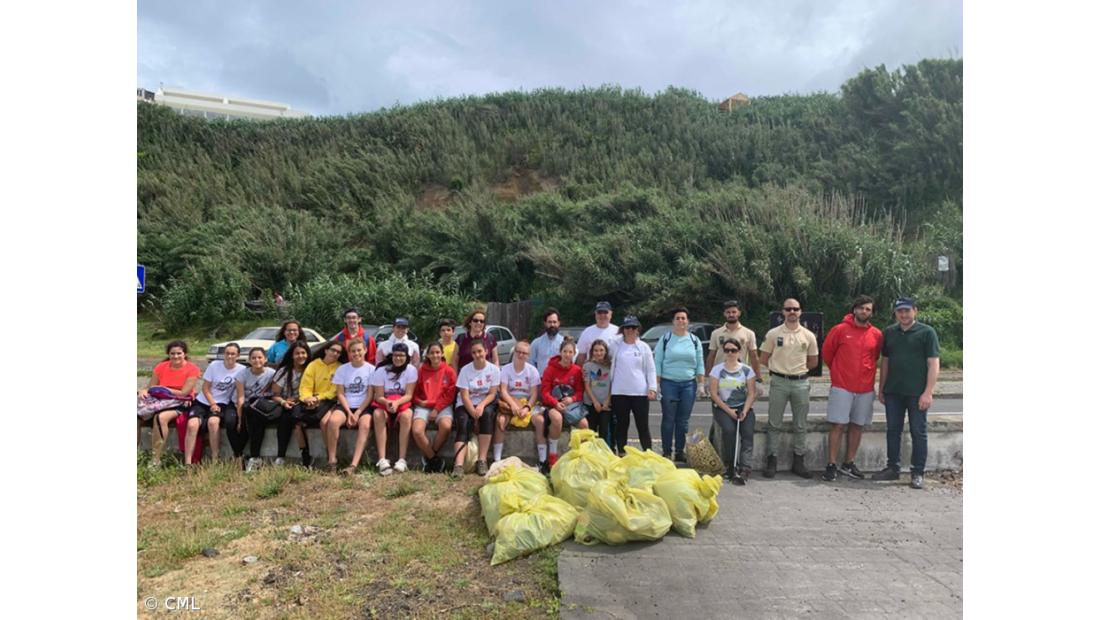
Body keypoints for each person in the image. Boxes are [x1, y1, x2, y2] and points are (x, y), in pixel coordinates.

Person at [872, 297, 940, 490]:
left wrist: (928, 392)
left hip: (917, 393)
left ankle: (917, 472)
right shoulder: (890, 333)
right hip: (893, 392)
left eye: (907, 311)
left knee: (918, 432)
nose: (903, 314)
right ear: (896, 313)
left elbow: (933, 363)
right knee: (893, 431)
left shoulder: (927, 333)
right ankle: (892, 468)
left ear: (915, 311)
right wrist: (882, 387)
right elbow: (885, 362)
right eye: (900, 311)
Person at [821, 296, 883, 482]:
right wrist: (839, 372)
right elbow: (827, 354)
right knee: (838, 425)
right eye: (862, 308)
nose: (864, 311)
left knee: (857, 425)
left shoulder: (876, 334)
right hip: (842, 387)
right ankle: (831, 465)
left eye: (868, 309)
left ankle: (849, 463)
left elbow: (875, 356)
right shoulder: (839, 330)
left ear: (871, 312)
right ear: (854, 309)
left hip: (865, 388)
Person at [758, 298, 819, 479]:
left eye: (795, 309)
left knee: (800, 424)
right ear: (782, 312)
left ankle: (799, 461)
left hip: (801, 382)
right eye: (788, 309)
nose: (792, 312)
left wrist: (798, 371)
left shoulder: (808, 335)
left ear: (801, 312)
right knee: (774, 423)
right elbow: (763, 358)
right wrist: (780, 369)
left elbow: (813, 361)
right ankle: (772, 461)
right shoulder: (773, 334)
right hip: (779, 381)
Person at [138, 340, 201, 467]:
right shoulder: (161, 367)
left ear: (185, 354)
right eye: (172, 354)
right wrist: (143, 390)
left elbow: (184, 392)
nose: (176, 356)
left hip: (180, 401)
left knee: (160, 418)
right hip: (159, 399)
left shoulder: (192, 369)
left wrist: (165, 389)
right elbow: (151, 386)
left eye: (179, 353)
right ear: (168, 354)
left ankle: (156, 459)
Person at [654, 307, 705, 461]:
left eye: (683, 318)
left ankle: (680, 451)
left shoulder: (694, 341)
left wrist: (701, 383)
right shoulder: (665, 339)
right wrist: (656, 384)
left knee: (683, 421)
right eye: (678, 318)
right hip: (669, 383)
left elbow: (700, 363)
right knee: (669, 418)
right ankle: (667, 451)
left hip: (688, 384)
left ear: (688, 321)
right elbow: (657, 362)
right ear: (673, 321)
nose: (681, 321)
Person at [184, 342, 246, 466]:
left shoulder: (241, 369)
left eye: (233, 354)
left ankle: (214, 459)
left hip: (222, 402)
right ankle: (188, 462)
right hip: (204, 400)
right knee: (192, 425)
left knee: (213, 423)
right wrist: (212, 403)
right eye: (227, 353)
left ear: (238, 356)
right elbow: (205, 388)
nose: (229, 356)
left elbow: (240, 392)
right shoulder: (214, 365)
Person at [265, 320, 312, 467]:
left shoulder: (312, 370)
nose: (300, 356)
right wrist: (284, 402)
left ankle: (305, 458)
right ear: (291, 355)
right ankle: (281, 457)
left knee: (296, 420)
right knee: (285, 419)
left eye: (303, 353)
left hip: (305, 402)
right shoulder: (284, 371)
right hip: (287, 403)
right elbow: (275, 393)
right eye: (297, 353)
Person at [709, 339, 757, 482]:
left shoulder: (747, 370)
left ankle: (745, 467)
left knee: (747, 433)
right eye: (727, 350)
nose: (730, 353)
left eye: (733, 350)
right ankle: (730, 465)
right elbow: (714, 394)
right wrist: (729, 411)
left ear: (739, 352)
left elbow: (751, 393)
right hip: (723, 408)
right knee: (729, 431)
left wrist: (745, 410)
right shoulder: (717, 370)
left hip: (743, 407)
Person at [537, 338, 588, 474]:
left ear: (574, 353)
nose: (567, 354)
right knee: (557, 419)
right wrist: (555, 403)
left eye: (570, 352)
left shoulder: (577, 370)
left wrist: (572, 399)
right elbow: (544, 391)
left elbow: (580, 391)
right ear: (560, 352)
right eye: (565, 351)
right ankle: (552, 457)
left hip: (570, 406)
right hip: (552, 405)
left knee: (584, 424)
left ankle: (581, 457)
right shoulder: (550, 369)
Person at [452, 339, 501, 476]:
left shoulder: (494, 370)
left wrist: (481, 406)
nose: (477, 355)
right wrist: (472, 411)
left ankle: (482, 460)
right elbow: (464, 396)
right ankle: (458, 465)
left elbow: (492, 394)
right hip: (466, 403)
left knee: (487, 415)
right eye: (474, 352)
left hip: (485, 401)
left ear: (486, 351)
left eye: (479, 351)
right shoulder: (465, 370)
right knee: (462, 422)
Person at [610, 316, 657, 456]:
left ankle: (648, 453)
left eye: (633, 328)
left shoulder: (644, 347)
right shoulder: (615, 345)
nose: (630, 330)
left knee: (642, 425)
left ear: (638, 330)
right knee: (621, 425)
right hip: (619, 392)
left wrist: (652, 387)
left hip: (640, 392)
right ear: (622, 330)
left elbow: (651, 368)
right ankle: (622, 453)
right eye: (627, 327)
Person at [371, 342, 419, 476]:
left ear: (407, 357)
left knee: (407, 416)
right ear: (391, 356)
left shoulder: (411, 370)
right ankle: (382, 459)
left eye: (402, 355)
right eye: (396, 355)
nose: (398, 358)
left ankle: (402, 459)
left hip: (402, 402)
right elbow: (379, 395)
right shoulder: (381, 370)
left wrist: (397, 403)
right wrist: (388, 403)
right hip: (385, 403)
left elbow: (409, 394)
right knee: (377, 414)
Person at [330, 339, 377, 474]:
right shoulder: (342, 369)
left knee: (365, 425)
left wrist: (357, 413)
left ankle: (353, 465)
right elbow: (340, 393)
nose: (356, 353)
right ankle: (332, 460)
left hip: (363, 406)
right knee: (333, 422)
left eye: (359, 350)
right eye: (353, 351)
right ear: (349, 353)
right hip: (346, 405)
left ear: (365, 350)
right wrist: (349, 413)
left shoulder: (371, 369)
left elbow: (369, 396)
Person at [411, 341, 457, 472]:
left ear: (442, 353)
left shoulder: (449, 371)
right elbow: (415, 392)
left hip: (442, 406)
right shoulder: (421, 370)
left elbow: (449, 395)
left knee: (446, 426)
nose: (435, 355)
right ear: (428, 355)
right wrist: (422, 402)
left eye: (437, 352)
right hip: (424, 405)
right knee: (417, 430)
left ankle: (429, 457)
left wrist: (436, 409)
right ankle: (434, 459)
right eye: (432, 353)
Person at [299, 340, 345, 471]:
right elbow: (305, 385)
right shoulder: (313, 365)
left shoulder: (340, 367)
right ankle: (318, 456)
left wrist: (317, 398)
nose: (335, 353)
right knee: (300, 423)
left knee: (326, 422)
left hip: (331, 401)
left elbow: (334, 391)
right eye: (333, 350)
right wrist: (306, 398)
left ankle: (331, 457)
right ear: (326, 350)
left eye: (338, 352)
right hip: (312, 401)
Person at [494, 340, 541, 463]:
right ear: (514, 352)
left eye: (524, 353)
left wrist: (527, 407)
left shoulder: (532, 371)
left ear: (528, 355)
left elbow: (534, 394)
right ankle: (497, 459)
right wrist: (513, 404)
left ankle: (543, 459)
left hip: (527, 403)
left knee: (540, 421)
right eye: (518, 352)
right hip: (510, 401)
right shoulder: (505, 369)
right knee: (500, 421)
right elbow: (503, 391)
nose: (521, 355)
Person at [705, 300, 762, 380]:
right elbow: (711, 356)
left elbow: (754, 357)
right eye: (728, 312)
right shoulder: (716, 333)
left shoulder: (749, 333)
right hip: (720, 376)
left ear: (739, 313)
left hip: (741, 376)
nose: (731, 314)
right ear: (724, 314)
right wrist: (707, 378)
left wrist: (758, 378)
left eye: (734, 312)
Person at [241, 347, 277, 472]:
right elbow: (240, 397)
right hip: (248, 407)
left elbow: (275, 394)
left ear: (265, 359)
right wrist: (239, 419)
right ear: (249, 360)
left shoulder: (272, 373)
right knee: (248, 413)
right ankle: (253, 457)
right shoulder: (243, 373)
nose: (257, 360)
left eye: (260, 357)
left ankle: (254, 457)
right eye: (254, 358)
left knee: (254, 417)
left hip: (264, 406)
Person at [582, 339, 614, 446]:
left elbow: (612, 385)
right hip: (591, 403)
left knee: (604, 431)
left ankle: (603, 453)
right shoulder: (588, 366)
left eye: (601, 350)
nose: (598, 353)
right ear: (592, 352)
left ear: (605, 351)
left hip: (605, 404)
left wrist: (607, 401)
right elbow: (587, 385)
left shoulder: (610, 366)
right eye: (596, 350)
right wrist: (595, 402)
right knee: (591, 431)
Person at [576, 301, 618, 366]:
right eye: (599, 312)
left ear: (611, 314)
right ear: (595, 314)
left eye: (605, 312)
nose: (602, 315)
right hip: (592, 373)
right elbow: (581, 356)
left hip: (613, 373)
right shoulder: (587, 332)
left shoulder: (618, 332)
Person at [529, 307, 565, 373]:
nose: (552, 325)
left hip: (559, 381)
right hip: (541, 380)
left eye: (554, 322)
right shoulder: (536, 343)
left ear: (559, 323)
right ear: (545, 323)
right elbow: (530, 363)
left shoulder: (564, 343)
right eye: (549, 322)